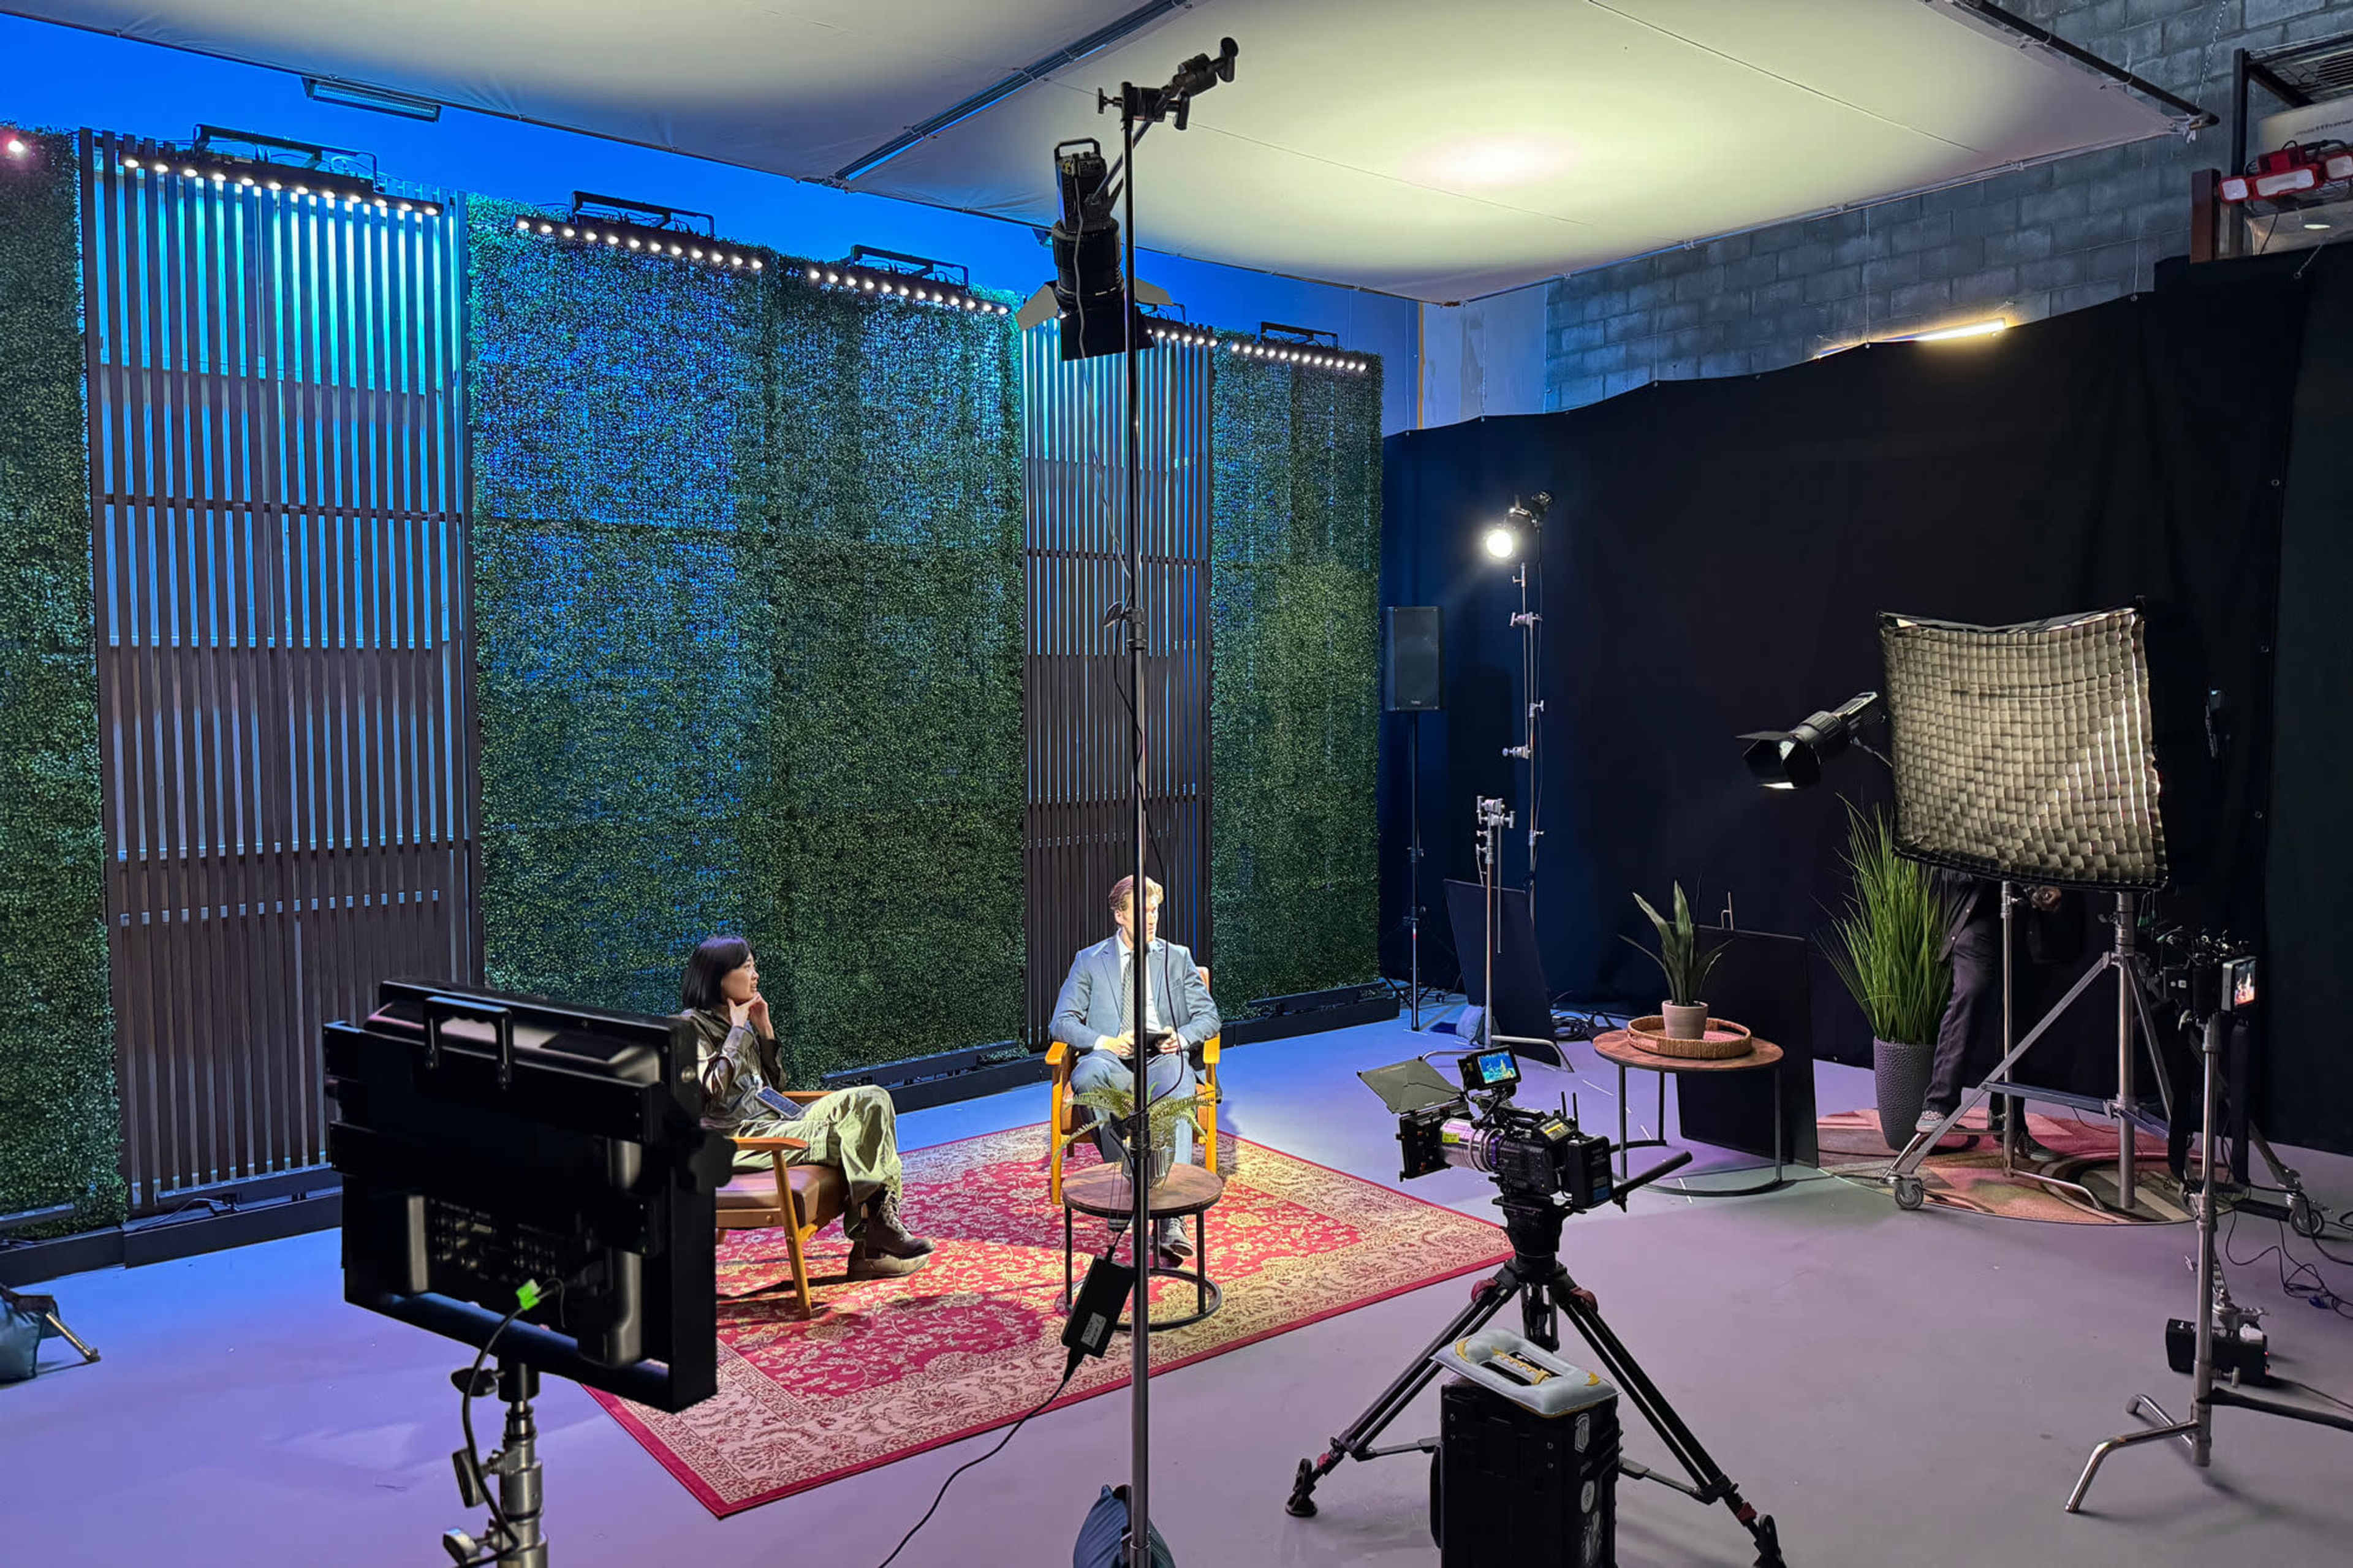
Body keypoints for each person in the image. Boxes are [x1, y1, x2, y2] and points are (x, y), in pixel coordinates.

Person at [681, 936, 933, 1278]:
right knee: (860, 1141)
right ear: (718, 977)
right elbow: (705, 1093)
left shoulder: (740, 1022)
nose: (756, 975)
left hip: (777, 1120)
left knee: (874, 1098)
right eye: (747, 967)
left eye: (754, 966)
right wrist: (739, 1031)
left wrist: (764, 1029)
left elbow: (775, 1087)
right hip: (738, 1140)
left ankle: (877, 1234)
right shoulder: (690, 1026)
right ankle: (871, 1245)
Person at [1051, 876, 1220, 1263]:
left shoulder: (1177, 957)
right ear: (1119, 916)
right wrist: (1105, 1042)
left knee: (1177, 1084)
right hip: (1112, 1056)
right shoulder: (1090, 961)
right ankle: (1127, 1181)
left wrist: (1182, 1035)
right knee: (1089, 1076)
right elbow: (1061, 1023)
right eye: (1142, 911)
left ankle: (1170, 1218)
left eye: (1155, 910)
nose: (1152, 918)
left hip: (1162, 1055)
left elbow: (1209, 1018)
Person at [1917, 875, 2069, 1156]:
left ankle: (2010, 1123)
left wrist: (2045, 887)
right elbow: (1950, 866)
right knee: (1971, 992)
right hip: (1977, 918)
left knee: (2020, 1018)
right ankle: (1938, 1105)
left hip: (2026, 922)